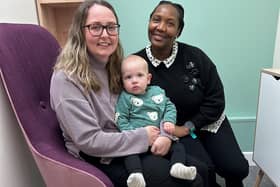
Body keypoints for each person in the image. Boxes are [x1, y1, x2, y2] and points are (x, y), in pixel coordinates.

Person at [49, 0, 203, 186]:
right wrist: (145, 137)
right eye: (95, 27)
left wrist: (164, 135)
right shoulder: (66, 79)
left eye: (111, 27)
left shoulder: (115, 67)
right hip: (101, 156)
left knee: (201, 169)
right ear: (79, 31)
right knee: (190, 182)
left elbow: (146, 108)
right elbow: (89, 141)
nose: (105, 34)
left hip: (129, 142)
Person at [134, 1, 249, 187]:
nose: (161, 27)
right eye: (156, 20)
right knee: (204, 170)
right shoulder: (136, 65)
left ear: (179, 31)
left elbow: (216, 100)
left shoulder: (196, 57)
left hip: (209, 123)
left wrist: (189, 127)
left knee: (236, 168)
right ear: (149, 22)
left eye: (170, 23)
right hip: (175, 131)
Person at [115, 55, 197, 187]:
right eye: (128, 77)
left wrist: (168, 122)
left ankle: (177, 166)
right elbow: (120, 118)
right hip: (137, 140)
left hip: (160, 137)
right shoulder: (125, 98)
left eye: (139, 75)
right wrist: (135, 135)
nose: (134, 81)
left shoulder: (157, 91)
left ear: (148, 79)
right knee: (129, 153)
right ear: (122, 81)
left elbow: (169, 107)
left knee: (178, 147)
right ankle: (136, 175)